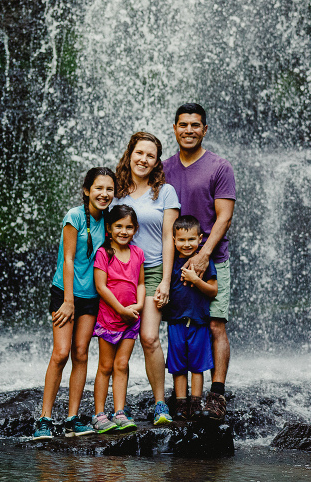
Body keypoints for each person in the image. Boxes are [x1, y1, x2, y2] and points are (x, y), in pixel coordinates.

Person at [162, 103, 236, 422]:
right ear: (175, 128)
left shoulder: (220, 167)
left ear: (205, 129)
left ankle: (216, 394)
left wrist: (204, 254)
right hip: (173, 265)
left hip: (213, 259)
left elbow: (225, 216)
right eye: (183, 124)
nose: (189, 130)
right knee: (178, 324)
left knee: (215, 324)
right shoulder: (163, 168)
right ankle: (182, 399)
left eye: (195, 125)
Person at [33, 167, 117, 440]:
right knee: (60, 352)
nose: (104, 194)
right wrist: (68, 301)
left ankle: (72, 418)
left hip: (92, 297)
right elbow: (68, 259)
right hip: (65, 293)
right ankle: (44, 419)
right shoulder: (75, 217)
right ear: (87, 190)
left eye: (109, 190)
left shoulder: (108, 221)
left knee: (81, 353)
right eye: (99, 188)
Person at [113, 132, 180, 425]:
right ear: (130, 154)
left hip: (152, 271)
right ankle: (118, 408)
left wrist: (166, 280)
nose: (143, 160)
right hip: (120, 273)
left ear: (157, 162)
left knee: (149, 337)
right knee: (117, 341)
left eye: (150, 156)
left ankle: (160, 404)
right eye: (139, 153)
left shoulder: (165, 192)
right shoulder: (114, 191)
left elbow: (169, 238)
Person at [91, 205, 145, 433]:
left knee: (122, 365)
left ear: (135, 229)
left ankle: (120, 412)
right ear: (109, 229)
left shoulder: (138, 253)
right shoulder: (104, 253)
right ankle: (99, 414)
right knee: (105, 366)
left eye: (129, 227)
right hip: (110, 318)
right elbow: (101, 287)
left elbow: (141, 283)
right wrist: (121, 309)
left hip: (131, 319)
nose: (124, 231)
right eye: (119, 226)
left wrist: (139, 305)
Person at [163, 215, 217, 420]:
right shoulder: (171, 264)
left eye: (191, 240)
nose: (187, 244)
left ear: (200, 239)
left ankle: (195, 402)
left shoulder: (204, 263)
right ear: (174, 240)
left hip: (199, 321)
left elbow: (213, 290)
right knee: (178, 365)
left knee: (197, 365)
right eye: (182, 240)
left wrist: (196, 279)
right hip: (176, 321)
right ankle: (180, 403)